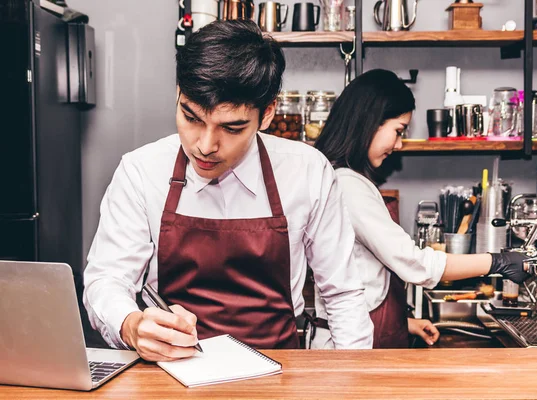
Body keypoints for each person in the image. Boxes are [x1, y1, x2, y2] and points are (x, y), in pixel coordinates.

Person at [83, 20, 374, 361]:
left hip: (281, 372)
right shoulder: (141, 170)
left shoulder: (308, 172)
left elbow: (343, 295)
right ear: (178, 92)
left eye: (231, 127)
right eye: (191, 118)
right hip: (172, 373)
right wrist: (131, 325)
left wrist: (352, 379)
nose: (205, 146)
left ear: (267, 114)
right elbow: (107, 280)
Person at [309, 69, 530, 349]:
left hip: (359, 332)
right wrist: (498, 262)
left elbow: (362, 274)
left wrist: (405, 323)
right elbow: (416, 264)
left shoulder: (344, 179)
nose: (399, 144)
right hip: (349, 345)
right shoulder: (347, 185)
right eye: (398, 131)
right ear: (369, 122)